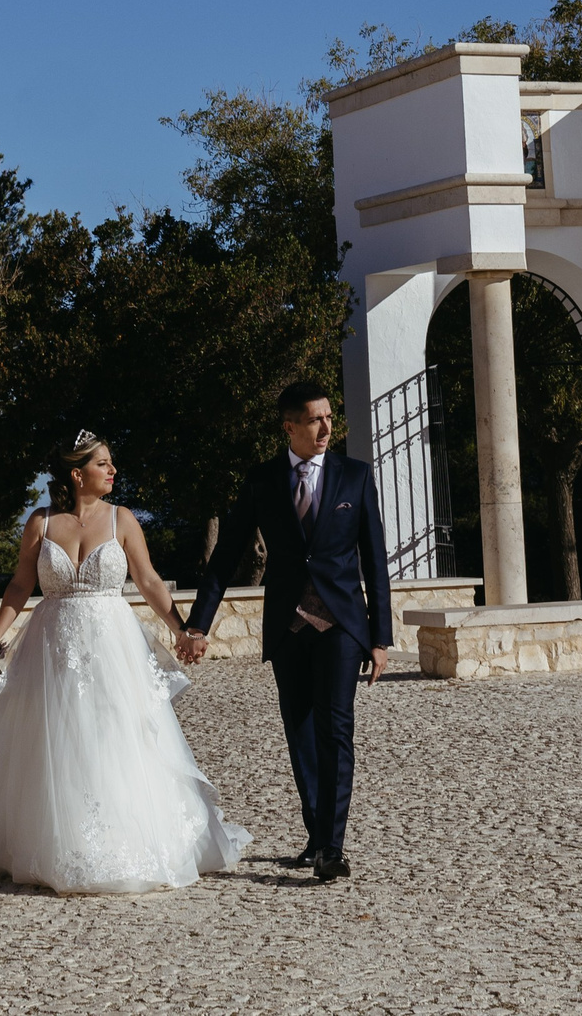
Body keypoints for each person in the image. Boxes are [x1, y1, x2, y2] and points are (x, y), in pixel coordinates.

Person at [0, 431, 251, 893]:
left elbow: (149, 580)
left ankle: (122, 841)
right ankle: (47, 843)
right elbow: (20, 586)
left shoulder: (123, 520)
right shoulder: (41, 523)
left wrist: (181, 629)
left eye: (112, 463)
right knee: (50, 737)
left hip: (111, 645)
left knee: (114, 732)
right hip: (51, 643)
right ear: (77, 474)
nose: (113, 471)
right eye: (104, 464)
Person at [178, 378, 392, 883]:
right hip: (288, 626)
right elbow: (226, 555)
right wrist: (198, 623)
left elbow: (375, 561)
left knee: (336, 729)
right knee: (300, 732)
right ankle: (316, 835)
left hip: (342, 623)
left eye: (329, 417)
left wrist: (380, 636)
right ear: (289, 426)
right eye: (314, 419)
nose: (325, 427)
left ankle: (332, 849)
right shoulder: (263, 480)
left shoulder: (355, 476)